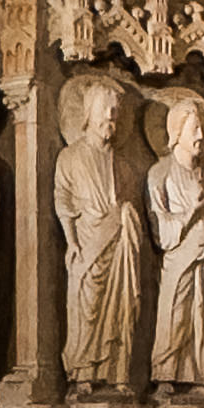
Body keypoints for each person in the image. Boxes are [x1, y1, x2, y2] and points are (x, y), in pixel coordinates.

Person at [54, 76, 145, 390]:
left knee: (120, 309)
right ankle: (82, 373)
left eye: (115, 111)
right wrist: (71, 242)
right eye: (105, 109)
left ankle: (117, 373)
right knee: (86, 309)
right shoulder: (70, 157)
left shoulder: (123, 165)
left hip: (119, 249)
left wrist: (126, 215)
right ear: (89, 113)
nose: (111, 116)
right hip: (87, 246)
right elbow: (63, 200)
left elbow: (130, 204)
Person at [147, 91, 204, 389]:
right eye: (195, 129)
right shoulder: (160, 173)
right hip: (179, 261)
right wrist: (191, 211)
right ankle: (166, 376)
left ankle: (202, 379)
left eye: (203, 129)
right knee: (176, 315)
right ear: (177, 133)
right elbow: (160, 230)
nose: (201, 136)